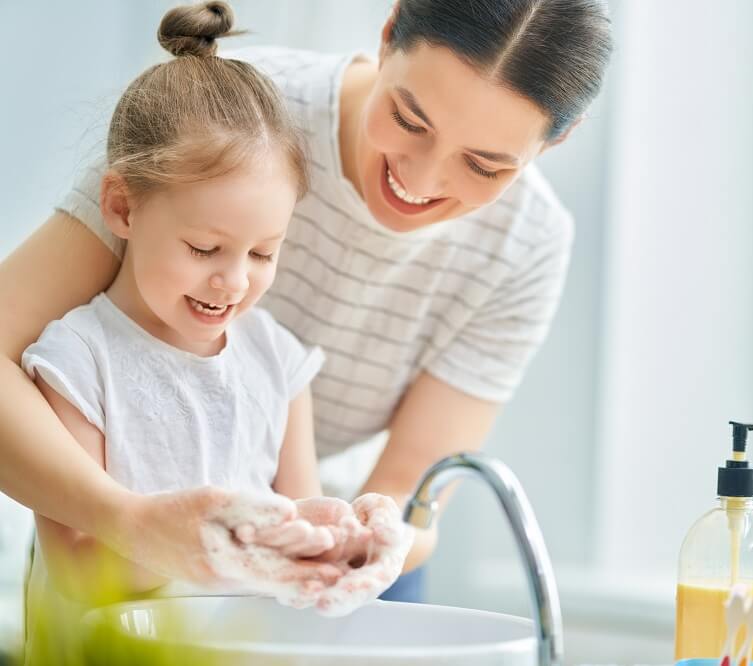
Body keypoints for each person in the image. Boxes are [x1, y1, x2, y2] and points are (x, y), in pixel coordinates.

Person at [0, 0, 613, 607]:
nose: (421, 182)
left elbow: (406, 490)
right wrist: (132, 522)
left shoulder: (526, 246)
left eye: (484, 166)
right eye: (408, 119)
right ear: (390, 31)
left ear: (556, 141)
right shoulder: (229, 115)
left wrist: (367, 536)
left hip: (283, 552)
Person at [17, 4, 414, 662]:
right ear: (121, 206)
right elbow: (79, 569)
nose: (234, 281)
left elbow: (302, 516)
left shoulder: (278, 363)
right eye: (205, 248)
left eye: (263, 254)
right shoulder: (76, 359)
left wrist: (344, 541)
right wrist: (231, 554)